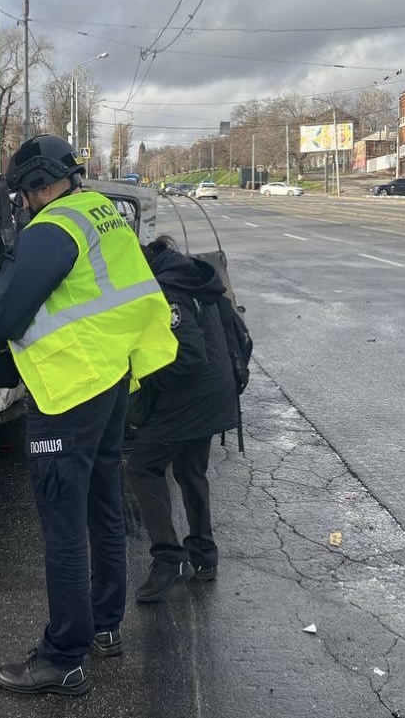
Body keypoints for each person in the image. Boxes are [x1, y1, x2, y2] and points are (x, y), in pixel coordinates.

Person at [0, 135, 178, 696]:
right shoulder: (102, 213)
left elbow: (3, 320)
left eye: (24, 193)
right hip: (109, 378)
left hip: (67, 392)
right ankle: (105, 625)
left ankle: (63, 658)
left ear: (33, 189)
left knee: (63, 525)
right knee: (103, 504)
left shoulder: (49, 230)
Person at [125, 236, 238, 603]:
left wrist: (144, 375)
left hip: (193, 399)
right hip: (216, 394)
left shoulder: (168, 290)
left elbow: (188, 359)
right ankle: (204, 556)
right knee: (191, 471)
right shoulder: (188, 274)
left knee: (142, 466)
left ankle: (167, 557)